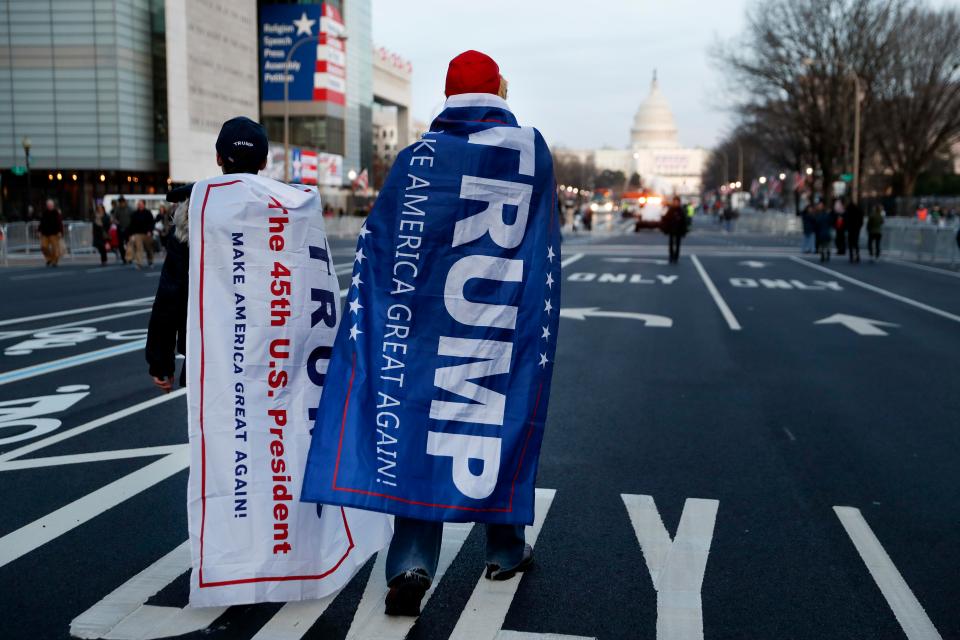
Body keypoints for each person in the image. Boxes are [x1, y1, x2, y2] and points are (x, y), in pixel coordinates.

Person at [145, 116, 269, 393]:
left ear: (218, 158)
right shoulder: (283, 213)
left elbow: (171, 293)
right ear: (263, 162)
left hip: (207, 351)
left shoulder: (194, 213)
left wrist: (160, 361)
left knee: (213, 431)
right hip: (269, 351)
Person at [128, 200, 155, 268]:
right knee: (138, 248)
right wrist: (131, 234)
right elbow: (132, 224)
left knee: (148, 248)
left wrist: (150, 231)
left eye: (141, 204)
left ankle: (150, 261)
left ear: (144, 204)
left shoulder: (148, 213)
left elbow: (151, 223)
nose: (139, 205)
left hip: (147, 233)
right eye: (138, 204)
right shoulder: (135, 213)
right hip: (137, 234)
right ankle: (139, 263)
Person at [38, 198, 64, 267]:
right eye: (48, 205)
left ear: (53, 205)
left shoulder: (56, 213)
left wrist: (60, 231)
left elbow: (59, 223)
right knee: (43, 246)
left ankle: (54, 261)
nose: (49, 206)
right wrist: (39, 231)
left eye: (51, 205)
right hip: (45, 233)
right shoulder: (45, 213)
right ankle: (49, 258)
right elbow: (41, 222)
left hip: (54, 233)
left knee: (55, 248)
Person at [661, 195, 687, 263]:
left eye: (677, 202)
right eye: (674, 202)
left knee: (678, 244)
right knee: (671, 244)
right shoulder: (671, 210)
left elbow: (684, 221)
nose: (676, 203)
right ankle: (671, 256)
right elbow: (666, 219)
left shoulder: (681, 210)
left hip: (679, 230)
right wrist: (665, 228)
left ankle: (676, 257)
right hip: (671, 229)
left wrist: (684, 231)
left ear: (679, 202)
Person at [111, 195, 132, 264]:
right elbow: (114, 218)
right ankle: (124, 258)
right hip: (120, 228)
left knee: (129, 244)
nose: (121, 203)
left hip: (128, 228)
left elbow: (133, 218)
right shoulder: (117, 209)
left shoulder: (129, 209)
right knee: (120, 244)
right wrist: (116, 222)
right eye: (120, 202)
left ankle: (129, 257)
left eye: (122, 202)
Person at [845, 199, 864, 263]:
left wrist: (847, 227)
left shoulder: (848, 210)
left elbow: (846, 219)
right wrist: (859, 226)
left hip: (851, 228)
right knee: (856, 242)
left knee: (850, 243)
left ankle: (851, 256)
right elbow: (861, 220)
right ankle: (857, 255)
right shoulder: (859, 210)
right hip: (856, 228)